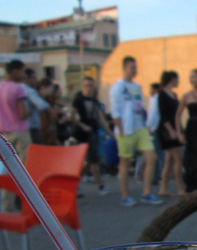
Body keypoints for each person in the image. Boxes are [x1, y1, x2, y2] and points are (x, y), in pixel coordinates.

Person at [109, 55, 162, 206]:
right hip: (125, 130)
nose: (135, 70)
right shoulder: (117, 87)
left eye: (136, 67)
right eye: (132, 67)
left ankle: (146, 192)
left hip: (140, 128)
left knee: (151, 157)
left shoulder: (137, 86)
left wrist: (146, 124)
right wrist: (120, 130)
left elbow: (139, 106)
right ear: (124, 68)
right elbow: (115, 111)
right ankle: (125, 195)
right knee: (125, 162)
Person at [0, 59, 31, 208]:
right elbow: (22, 113)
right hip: (20, 132)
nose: (23, 75)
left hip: (3, 133)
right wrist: (30, 112)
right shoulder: (18, 88)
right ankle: (25, 203)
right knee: (24, 170)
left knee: (7, 170)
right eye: (22, 71)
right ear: (14, 71)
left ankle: (6, 204)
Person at [72, 76, 111, 195]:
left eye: (91, 86)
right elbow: (72, 116)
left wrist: (110, 132)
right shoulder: (78, 99)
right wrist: (82, 125)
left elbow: (100, 117)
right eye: (86, 85)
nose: (89, 88)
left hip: (92, 132)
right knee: (93, 160)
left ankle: (74, 182)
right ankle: (100, 185)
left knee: (90, 161)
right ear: (83, 86)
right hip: (82, 134)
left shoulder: (94, 101)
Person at [157, 71, 185, 196]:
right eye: (177, 79)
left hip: (174, 129)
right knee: (178, 158)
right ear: (173, 79)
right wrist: (172, 131)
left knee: (169, 161)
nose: (178, 81)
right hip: (167, 130)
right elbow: (164, 116)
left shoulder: (174, 94)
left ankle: (163, 188)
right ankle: (180, 188)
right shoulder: (162, 94)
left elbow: (177, 115)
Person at [23, 67, 50, 144]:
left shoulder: (19, 89)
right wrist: (50, 109)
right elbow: (42, 105)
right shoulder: (30, 91)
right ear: (28, 79)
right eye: (34, 78)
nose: (36, 81)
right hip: (32, 127)